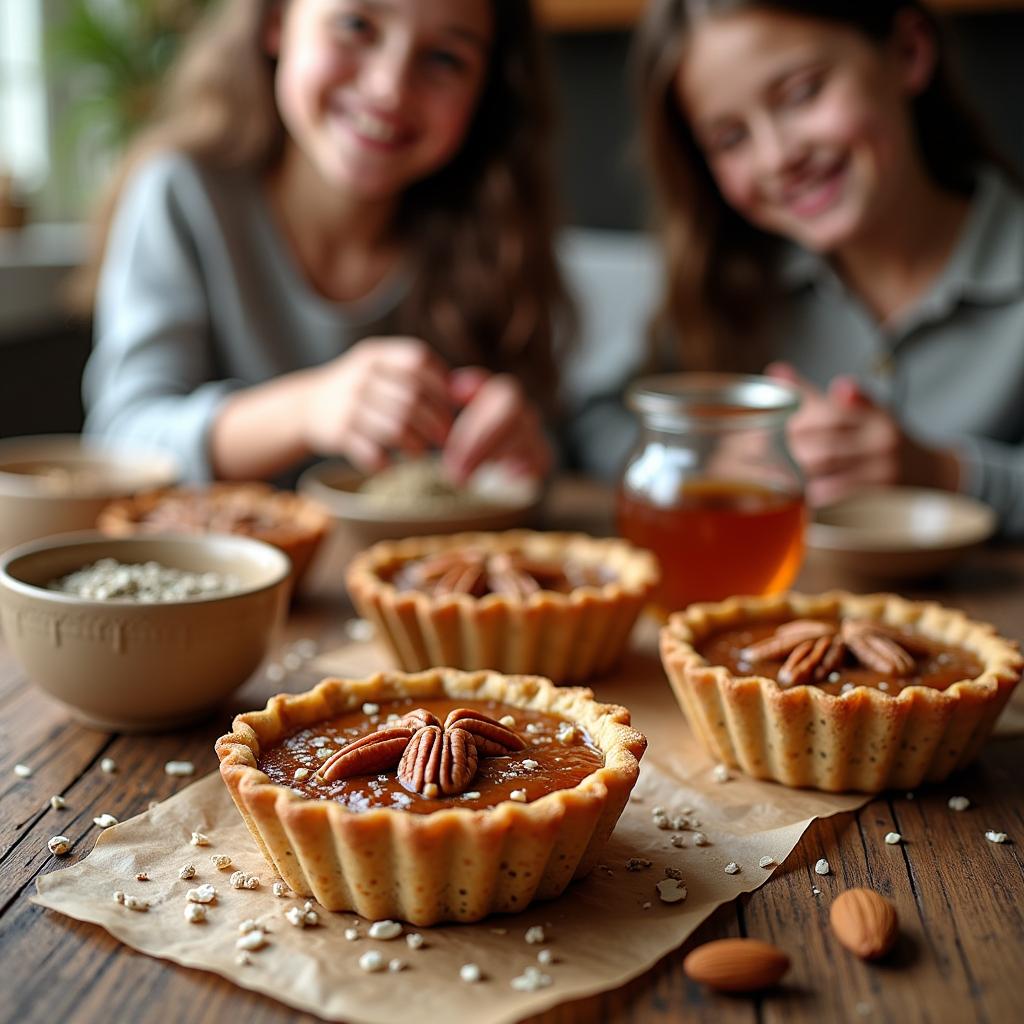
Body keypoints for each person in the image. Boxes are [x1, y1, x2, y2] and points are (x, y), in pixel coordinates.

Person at [80, 0, 572, 486]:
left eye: (445, 58)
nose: (390, 89)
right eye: (357, 25)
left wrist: (521, 445)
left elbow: (542, 452)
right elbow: (122, 443)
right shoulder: (184, 193)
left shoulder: (491, 232)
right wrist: (310, 407)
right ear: (276, 22)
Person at [620, 0, 1024, 532]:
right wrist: (706, 458)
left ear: (908, 51)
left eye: (802, 93)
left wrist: (945, 474)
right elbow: (609, 435)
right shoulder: (724, 288)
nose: (777, 157)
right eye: (731, 138)